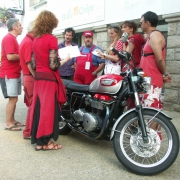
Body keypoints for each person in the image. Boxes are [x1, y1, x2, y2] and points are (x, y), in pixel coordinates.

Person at [29, 10, 71, 151]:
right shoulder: (51, 39)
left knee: (39, 109)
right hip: (49, 80)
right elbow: (53, 65)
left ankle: (40, 142)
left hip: (39, 79)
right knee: (48, 110)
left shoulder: (35, 40)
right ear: (52, 23)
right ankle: (46, 142)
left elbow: (34, 64)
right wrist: (65, 59)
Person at [140, 11, 172, 109]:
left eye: (141, 22)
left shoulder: (155, 35)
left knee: (151, 109)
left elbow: (159, 59)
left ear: (147, 23)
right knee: (148, 108)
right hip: (147, 79)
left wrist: (165, 73)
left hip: (152, 80)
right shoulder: (151, 36)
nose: (140, 25)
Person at [0, 18, 23, 131]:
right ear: (15, 27)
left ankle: (12, 120)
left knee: (14, 99)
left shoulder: (12, 39)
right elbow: (10, 56)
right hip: (9, 74)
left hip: (13, 73)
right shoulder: (9, 38)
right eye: (20, 25)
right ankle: (8, 123)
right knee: (12, 99)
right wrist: (23, 56)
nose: (21, 27)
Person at [19, 20, 35, 139]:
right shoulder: (29, 42)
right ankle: (28, 131)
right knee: (33, 105)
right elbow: (29, 63)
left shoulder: (27, 40)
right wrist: (37, 76)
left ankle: (28, 131)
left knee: (32, 105)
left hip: (27, 76)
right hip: (30, 77)